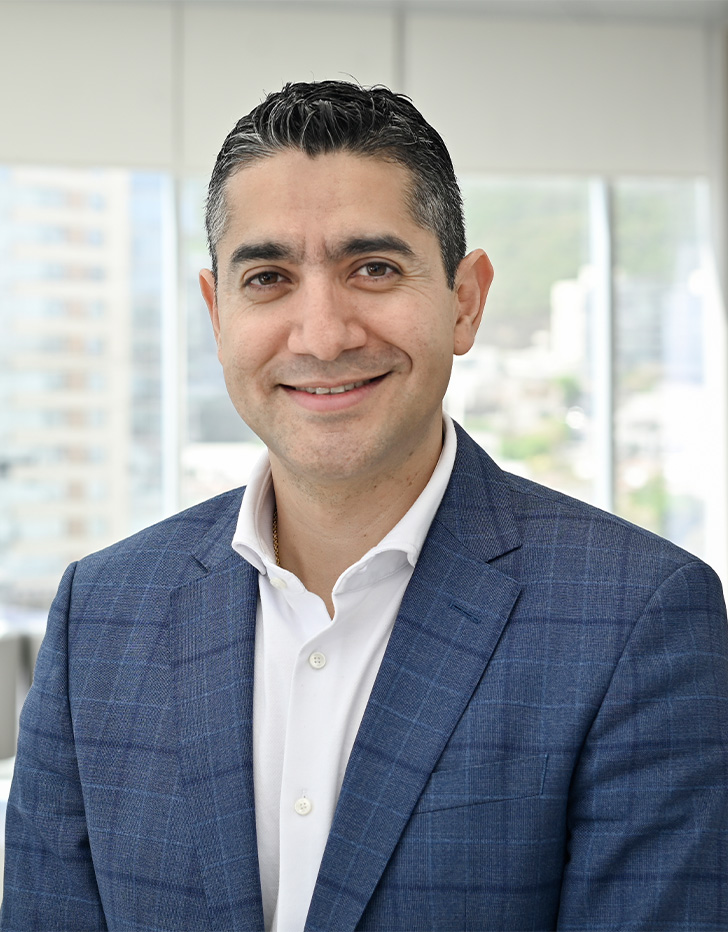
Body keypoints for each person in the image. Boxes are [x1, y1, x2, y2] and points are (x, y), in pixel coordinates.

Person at [2, 80, 727, 932]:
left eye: (373, 268)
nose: (322, 334)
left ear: (465, 299)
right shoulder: (102, 613)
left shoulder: (639, 617)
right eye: (268, 277)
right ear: (216, 311)